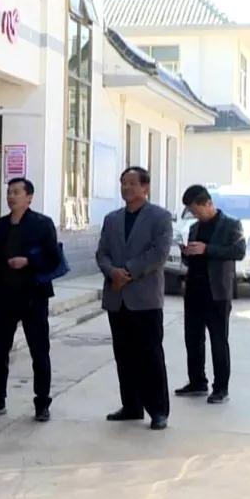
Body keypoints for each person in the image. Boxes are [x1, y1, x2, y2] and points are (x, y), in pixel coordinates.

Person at [0, 178, 61, 422]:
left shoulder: (42, 224)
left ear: (29, 197)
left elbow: (54, 258)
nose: (11, 197)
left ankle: (42, 403)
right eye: (9, 192)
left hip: (33, 296)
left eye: (16, 192)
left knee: (39, 351)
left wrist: (29, 261)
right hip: (4, 296)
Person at [96, 167, 173, 431]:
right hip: (117, 297)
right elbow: (102, 253)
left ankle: (158, 410)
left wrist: (127, 271)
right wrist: (112, 272)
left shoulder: (160, 217)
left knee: (150, 356)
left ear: (145, 187)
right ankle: (131, 405)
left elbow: (159, 253)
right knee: (124, 355)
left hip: (145, 298)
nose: (126, 188)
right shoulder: (112, 219)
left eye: (132, 183)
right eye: (123, 183)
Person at [175, 184, 246, 404]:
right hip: (194, 291)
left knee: (218, 340)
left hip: (217, 292)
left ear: (208, 204)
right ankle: (197, 382)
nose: (195, 215)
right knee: (193, 339)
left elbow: (239, 251)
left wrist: (207, 249)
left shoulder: (231, 225)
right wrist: (186, 252)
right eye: (191, 212)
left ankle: (221, 388)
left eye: (197, 210)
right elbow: (193, 258)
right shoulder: (194, 228)